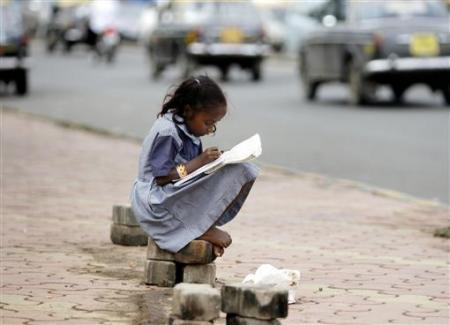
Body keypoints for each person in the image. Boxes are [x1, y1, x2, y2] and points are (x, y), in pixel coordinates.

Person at [130, 76, 259, 257]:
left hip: (170, 194)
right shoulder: (167, 132)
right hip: (156, 204)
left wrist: (215, 162)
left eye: (214, 124)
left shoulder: (188, 131)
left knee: (242, 169)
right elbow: (162, 177)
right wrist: (199, 161)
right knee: (240, 172)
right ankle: (198, 230)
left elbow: (188, 173)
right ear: (189, 111)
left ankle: (198, 228)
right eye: (208, 123)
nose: (210, 129)